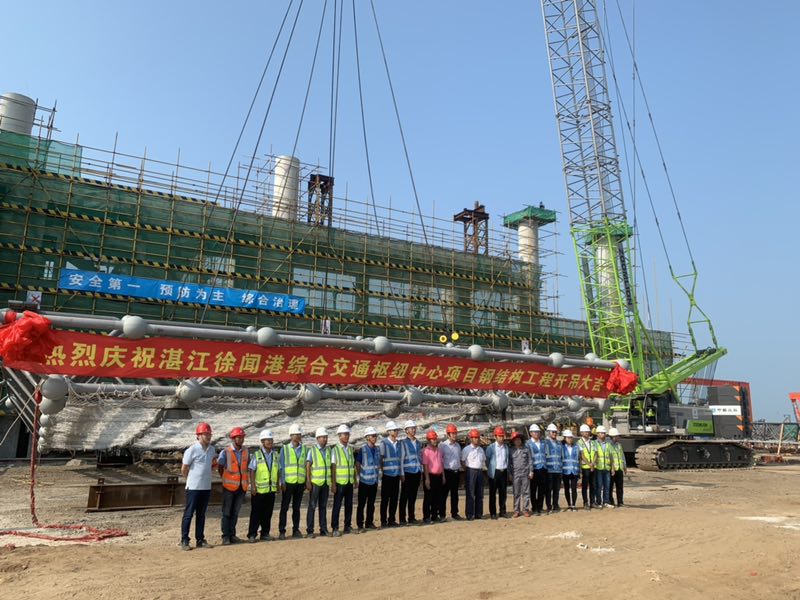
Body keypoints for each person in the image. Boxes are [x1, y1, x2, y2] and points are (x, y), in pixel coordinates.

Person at [180, 422, 217, 550]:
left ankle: (200, 540)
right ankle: (185, 540)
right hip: (193, 488)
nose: (208, 436)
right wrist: (190, 480)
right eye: (205, 434)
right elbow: (184, 468)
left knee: (201, 515)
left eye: (209, 434)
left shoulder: (212, 450)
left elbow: (212, 464)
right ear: (198, 436)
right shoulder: (192, 450)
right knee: (189, 514)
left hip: (206, 487)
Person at [217, 427, 249, 545]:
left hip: (241, 487)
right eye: (238, 437)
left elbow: (246, 467)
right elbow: (220, 467)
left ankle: (232, 535)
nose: (241, 439)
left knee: (235, 512)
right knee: (226, 512)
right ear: (233, 438)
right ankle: (225, 536)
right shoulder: (226, 452)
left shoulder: (246, 451)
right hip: (229, 488)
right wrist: (226, 479)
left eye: (242, 437)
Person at [247, 429, 279, 542]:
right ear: (262, 441)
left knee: (267, 513)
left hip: (270, 489)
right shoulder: (257, 455)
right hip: (259, 490)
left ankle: (265, 533)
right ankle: (252, 534)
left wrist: (277, 485)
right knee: (256, 513)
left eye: (271, 440)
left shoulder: (275, 455)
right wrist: (253, 486)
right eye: (267, 440)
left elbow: (277, 470)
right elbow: (252, 470)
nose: (269, 442)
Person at [278, 423, 307, 540]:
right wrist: (282, 482)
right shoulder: (284, 449)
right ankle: (282, 531)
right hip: (288, 483)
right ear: (291, 436)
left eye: (299, 434)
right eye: (296, 434)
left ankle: (296, 529)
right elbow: (281, 466)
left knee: (296, 508)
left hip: (300, 483)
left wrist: (305, 481)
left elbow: (305, 466)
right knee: (284, 507)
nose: (298, 436)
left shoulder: (304, 449)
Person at [306, 427, 332, 538]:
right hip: (315, 483)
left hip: (325, 483)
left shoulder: (328, 450)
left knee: (323, 506)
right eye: (322, 437)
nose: (325, 439)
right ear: (317, 438)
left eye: (326, 437)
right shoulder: (312, 450)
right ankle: (310, 530)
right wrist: (308, 481)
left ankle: (323, 529)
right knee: (312, 506)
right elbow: (308, 466)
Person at [331, 424, 356, 536]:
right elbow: (333, 467)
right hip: (339, 482)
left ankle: (347, 526)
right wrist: (333, 483)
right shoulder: (335, 450)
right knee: (337, 505)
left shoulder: (350, 449)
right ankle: (335, 527)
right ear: (339, 436)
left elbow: (352, 465)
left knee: (349, 505)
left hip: (349, 482)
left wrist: (355, 479)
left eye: (347, 434)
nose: (346, 436)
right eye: (344, 434)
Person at [356, 426, 381, 533]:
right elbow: (358, 463)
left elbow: (378, 463)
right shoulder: (363, 450)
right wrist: (359, 475)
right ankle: (360, 524)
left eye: (375, 436)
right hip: (364, 481)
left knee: (371, 503)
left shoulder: (377, 449)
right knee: (361, 504)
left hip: (374, 481)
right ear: (367, 437)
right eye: (372, 436)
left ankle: (369, 523)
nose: (375, 437)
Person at [379, 420, 402, 528]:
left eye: (396, 430)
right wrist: (382, 472)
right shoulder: (383, 443)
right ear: (389, 431)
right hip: (387, 475)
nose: (396, 431)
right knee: (385, 499)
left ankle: (391, 519)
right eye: (394, 430)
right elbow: (381, 458)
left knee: (394, 498)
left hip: (396, 475)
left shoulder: (399, 444)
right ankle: (383, 521)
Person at [399, 419, 422, 525]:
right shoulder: (403, 443)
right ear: (406, 430)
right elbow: (401, 459)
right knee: (404, 496)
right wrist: (402, 473)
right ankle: (402, 519)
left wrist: (421, 471)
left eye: (414, 428)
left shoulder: (418, 443)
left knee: (413, 496)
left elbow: (419, 458)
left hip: (416, 472)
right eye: (411, 428)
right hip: (407, 473)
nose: (413, 430)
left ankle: (411, 517)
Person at [461, 428, 486, 520]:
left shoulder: (481, 450)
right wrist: (467, 470)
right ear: (471, 439)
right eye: (475, 438)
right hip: (470, 471)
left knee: (480, 493)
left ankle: (478, 513)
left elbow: (483, 461)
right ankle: (470, 514)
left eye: (477, 437)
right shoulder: (466, 449)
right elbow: (462, 461)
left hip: (479, 471)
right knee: (470, 493)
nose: (477, 439)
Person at [485, 426, 509, 519]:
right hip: (494, 472)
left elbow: (507, 459)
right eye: (499, 436)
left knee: (503, 493)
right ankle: (493, 513)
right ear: (495, 436)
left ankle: (502, 511)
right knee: (493, 493)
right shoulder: (491, 447)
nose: (501, 438)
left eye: (502, 436)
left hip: (504, 472)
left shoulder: (506, 447)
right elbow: (487, 460)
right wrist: (491, 469)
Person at [421, 429, 445, 524]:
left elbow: (441, 464)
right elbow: (425, 465)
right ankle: (426, 517)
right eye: (432, 439)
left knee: (437, 497)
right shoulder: (426, 451)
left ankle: (434, 516)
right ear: (428, 440)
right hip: (430, 476)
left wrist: (443, 476)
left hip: (438, 475)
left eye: (435, 439)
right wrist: (427, 479)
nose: (435, 441)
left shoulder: (439, 451)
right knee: (428, 497)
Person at [439, 423, 462, 520]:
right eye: (452, 433)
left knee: (455, 494)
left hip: (456, 472)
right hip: (447, 472)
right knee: (443, 494)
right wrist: (442, 475)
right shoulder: (443, 446)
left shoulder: (458, 446)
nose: (454, 435)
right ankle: (442, 514)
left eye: (455, 433)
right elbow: (440, 460)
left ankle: (455, 513)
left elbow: (459, 459)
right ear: (448, 434)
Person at [508, 431, 531, 517]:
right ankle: (516, 511)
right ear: (513, 441)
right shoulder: (511, 451)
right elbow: (509, 463)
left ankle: (526, 510)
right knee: (516, 493)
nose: (517, 441)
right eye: (515, 440)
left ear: (521, 440)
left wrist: (531, 471)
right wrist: (510, 474)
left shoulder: (526, 449)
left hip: (525, 473)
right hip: (515, 474)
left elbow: (530, 461)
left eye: (519, 439)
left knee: (526, 492)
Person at [526, 424, 547, 515]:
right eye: (535, 432)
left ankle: (540, 507)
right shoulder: (528, 444)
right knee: (533, 489)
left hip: (543, 468)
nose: (537, 433)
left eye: (538, 432)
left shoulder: (543, 443)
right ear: (530, 433)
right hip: (533, 469)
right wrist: (529, 471)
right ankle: (534, 508)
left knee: (542, 489)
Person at [544, 423, 563, 513]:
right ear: (549, 432)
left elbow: (561, 457)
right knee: (548, 490)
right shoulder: (545, 443)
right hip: (549, 470)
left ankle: (555, 505)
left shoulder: (559, 443)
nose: (555, 433)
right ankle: (549, 506)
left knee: (556, 489)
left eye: (556, 432)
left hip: (558, 470)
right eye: (553, 432)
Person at [577, 423, 596, 509]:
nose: (587, 433)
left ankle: (592, 502)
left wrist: (593, 463)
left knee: (593, 485)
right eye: (585, 432)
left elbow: (596, 453)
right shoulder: (579, 442)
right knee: (585, 486)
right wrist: (589, 464)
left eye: (588, 432)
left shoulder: (592, 442)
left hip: (593, 467)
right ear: (581, 433)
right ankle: (585, 502)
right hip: (585, 467)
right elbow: (582, 455)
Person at [593, 425, 613, 509]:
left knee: (607, 486)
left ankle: (606, 502)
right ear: (597, 434)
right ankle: (598, 502)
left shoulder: (608, 444)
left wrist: (612, 468)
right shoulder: (594, 443)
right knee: (599, 486)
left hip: (607, 468)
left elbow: (611, 456)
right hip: (598, 468)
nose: (603, 434)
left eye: (604, 433)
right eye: (601, 433)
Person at [561, 429, 580, 512]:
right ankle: (569, 504)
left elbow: (578, 459)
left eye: (571, 437)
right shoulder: (562, 447)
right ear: (565, 438)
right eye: (568, 437)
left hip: (574, 471)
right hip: (565, 471)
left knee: (574, 489)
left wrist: (579, 471)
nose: (570, 439)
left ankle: (574, 505)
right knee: (566, 489)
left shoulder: (576, 447)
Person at [608, 427, 627, 507]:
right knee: (610, 486)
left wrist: (624, 466)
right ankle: (610, 501)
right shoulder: (608, 445)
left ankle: (620, 502)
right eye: (617, 436)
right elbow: (609, 457)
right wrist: (611, 467)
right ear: (613, 437)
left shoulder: (619, 445)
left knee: (620, 486)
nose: (619, 437)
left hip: (619, 468)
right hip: (612, 469)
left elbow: (622, 456)